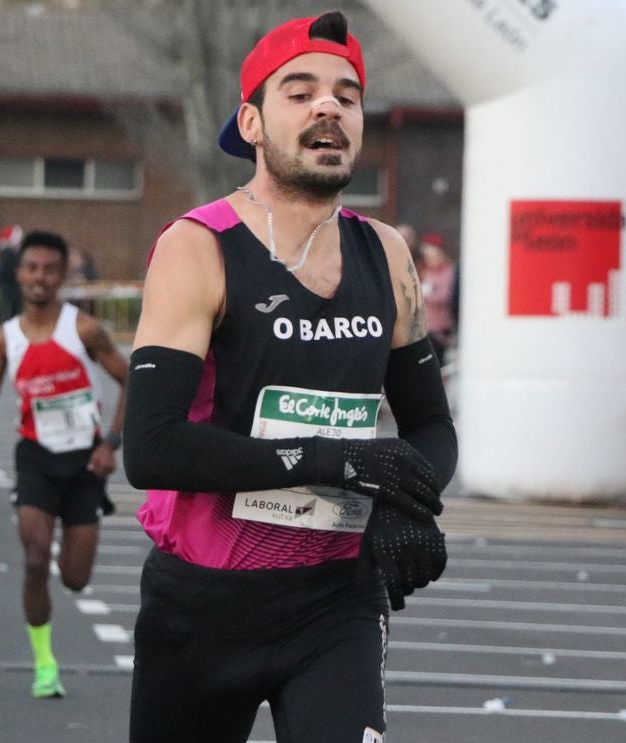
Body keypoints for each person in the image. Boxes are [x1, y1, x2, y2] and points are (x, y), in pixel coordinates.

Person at [120, 12, 455, 742]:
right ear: (252, 121)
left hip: (335, 603)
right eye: (299, 92)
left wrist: (409, 503)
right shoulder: (199, 246)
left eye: (346, 95)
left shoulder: (386, 253)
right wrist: (340, 459)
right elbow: (151, 449)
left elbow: (430, 426)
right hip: (204, 607)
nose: (328, 107)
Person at [0, 230, 128, 698]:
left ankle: (72, 554)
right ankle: (44, 665)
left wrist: (110, 443)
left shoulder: (83, 329)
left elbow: (130, 378)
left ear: (62, 276)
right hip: (35, 458)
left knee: (76, 580)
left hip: (84, 464)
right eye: (32, 268)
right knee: (36, 559)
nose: (40, 277)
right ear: (19, 274)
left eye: (49, 269)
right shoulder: (6, 337)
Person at [417, 232, 456, 362]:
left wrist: (423, 295)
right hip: (424, 327)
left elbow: (444, 297)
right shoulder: (425, 272)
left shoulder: (446, 273)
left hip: (438, 329)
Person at [0, 225, 23, 322]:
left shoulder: (9, 253)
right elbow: (7, 270)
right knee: (9, 310)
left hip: (10, 287)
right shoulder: (9, 254)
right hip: (10, 287)